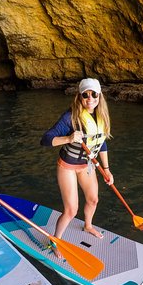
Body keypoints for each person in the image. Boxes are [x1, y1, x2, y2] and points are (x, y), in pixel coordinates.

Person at [40, 78, 113, 258]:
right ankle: (54, 241)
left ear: (99, 96)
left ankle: (88, 225)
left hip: (87, 165)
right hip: (68, 166)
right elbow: (45, 139)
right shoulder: (70, 117)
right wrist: (68, 138)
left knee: (93, 199)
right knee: (71, 210)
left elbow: (101, 144)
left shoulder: (101, 116)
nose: (90, 98)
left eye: (94, 94)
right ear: (79, 97)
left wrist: (107, 168)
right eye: (85, 95)